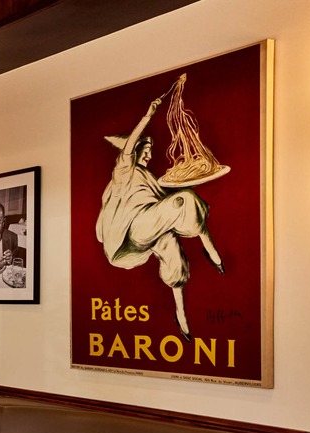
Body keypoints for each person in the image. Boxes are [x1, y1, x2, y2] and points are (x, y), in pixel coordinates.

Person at [96, 95, 224, 340]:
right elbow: (129, 148)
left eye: (150, 152)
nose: (148, 156)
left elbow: (165, 204)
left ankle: (181, 314)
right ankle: (208, 244)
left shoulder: (151, 179)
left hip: (152, 229)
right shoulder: (124, 171)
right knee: (184, 199)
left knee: (172, 250)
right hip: (134, 230)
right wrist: (148, 115)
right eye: (145, 151)